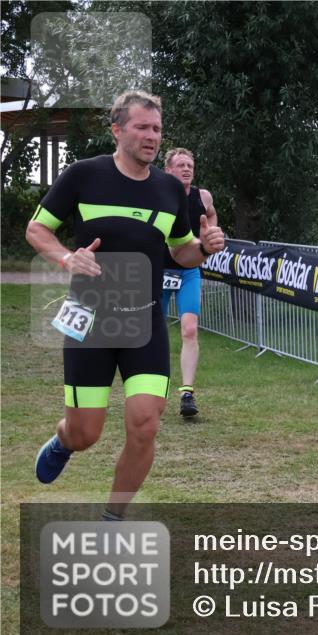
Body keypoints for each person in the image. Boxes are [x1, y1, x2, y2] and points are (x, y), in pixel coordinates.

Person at [26, 90, 225, 520]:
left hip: (145, 320)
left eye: (156, 128)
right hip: (90, 320)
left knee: (145, 423)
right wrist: (66, 257)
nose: (151, 136)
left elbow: (181, 251)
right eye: (142, 127)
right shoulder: (82, 176)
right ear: (117, 131)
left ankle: (112, 519)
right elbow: (37, 230)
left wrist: (205, 248)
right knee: (86, 433)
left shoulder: (170, 189)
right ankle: (64, 441)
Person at [161, 148, 217, 418]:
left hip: (189, 271)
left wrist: (209, 237)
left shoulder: (202, 196)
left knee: (190, 329)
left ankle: (187, 394)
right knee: (151, 331)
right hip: (158, 269)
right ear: (168, 169)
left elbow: (211, 214)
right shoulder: (157, 192)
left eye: (190, 165)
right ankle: (151, 389)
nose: (186, 169)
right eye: (181, 165)